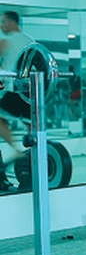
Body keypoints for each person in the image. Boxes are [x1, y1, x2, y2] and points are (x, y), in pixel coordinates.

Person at [0, 11, 35, 161]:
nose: (1, 25)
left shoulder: (7, 41)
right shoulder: (31, 41)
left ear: (11, 22)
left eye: (3, 22)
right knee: (30, 123)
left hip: (15, 91)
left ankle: (16, 150)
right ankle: (35, 154)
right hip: (31, 91)